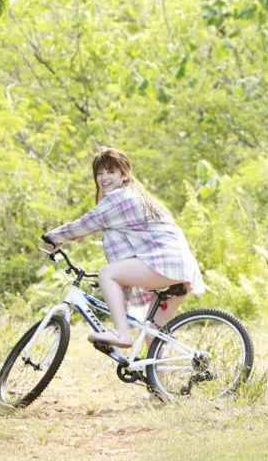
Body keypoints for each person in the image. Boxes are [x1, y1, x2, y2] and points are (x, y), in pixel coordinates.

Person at [42, 148, 206, 349]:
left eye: (110, 172)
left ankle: (122, 333)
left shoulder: (120, 197)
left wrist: (53, 237)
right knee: (154, 333)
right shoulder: (138, 195)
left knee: (107, 273)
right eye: (99, 173)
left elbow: (87, 223)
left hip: (166, 262)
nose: (104, 178)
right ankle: (158, 381)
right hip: (180, 266)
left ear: (124, 174)